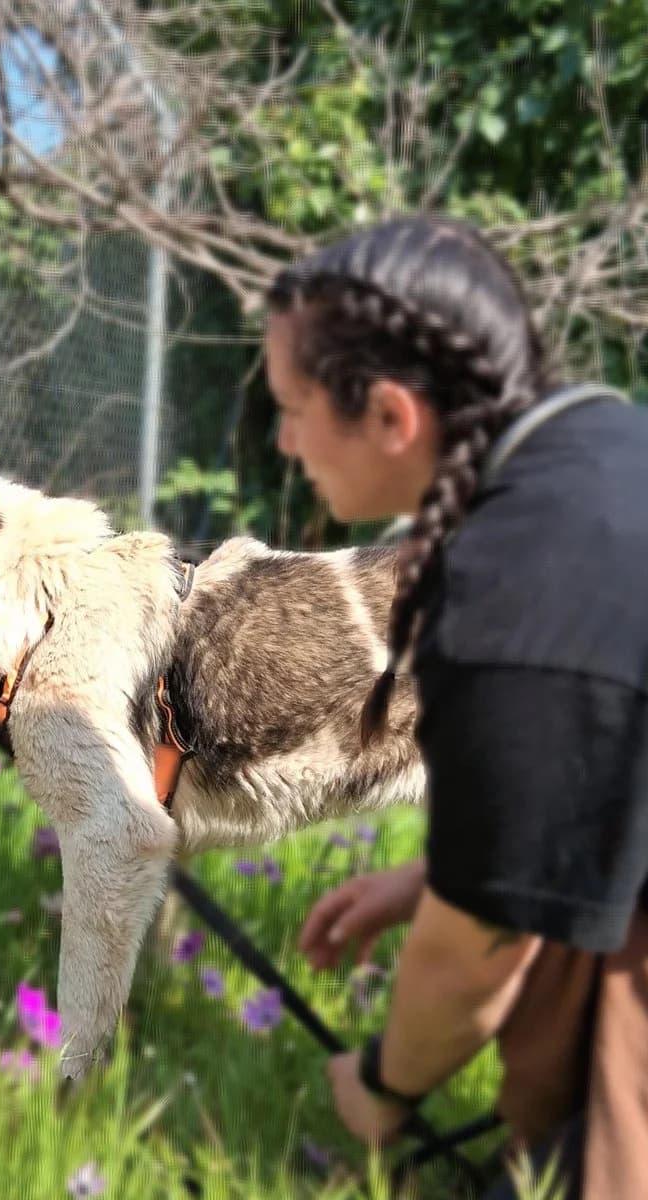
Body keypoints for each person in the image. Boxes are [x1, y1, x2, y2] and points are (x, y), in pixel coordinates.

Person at [263, 214, 648, 1199]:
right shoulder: (600, 448)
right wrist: (448, 873)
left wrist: (385, 1082)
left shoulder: (514, 598)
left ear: (393, 417)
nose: (283, 439)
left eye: (295, 408)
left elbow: (480, 952)